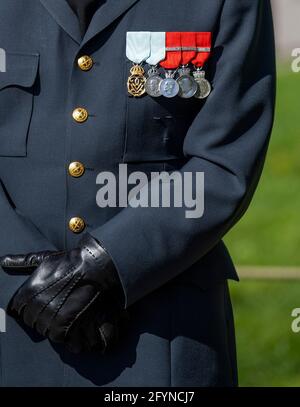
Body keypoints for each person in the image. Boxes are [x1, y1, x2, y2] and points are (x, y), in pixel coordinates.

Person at [0, 0, 276, 387]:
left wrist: (109, 261)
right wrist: (15, 280)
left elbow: (224, 162)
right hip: (13, 333)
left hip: (158, 335)